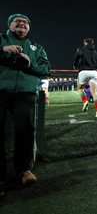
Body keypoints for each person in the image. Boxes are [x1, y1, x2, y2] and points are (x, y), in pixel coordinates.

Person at [0, 13, 51, 195]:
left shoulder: (37, 48)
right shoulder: (1, 39)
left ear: (29, 28)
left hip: (25, 93)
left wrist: (30, 64)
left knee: (25, 130)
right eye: (17, 21)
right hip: (1, 90)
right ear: (9, 25)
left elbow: (46, 69)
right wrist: (4, 49)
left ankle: (24, 170)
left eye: (25, 22)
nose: (21, 23)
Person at [73, 38, 97, 117]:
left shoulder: (81, 49)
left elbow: (77, 55)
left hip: (83, 71)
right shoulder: (96, 53)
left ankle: (85, 101)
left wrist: (75, 64)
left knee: (80, 89)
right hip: (94, 72)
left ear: (85, 43)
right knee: (94, 92)